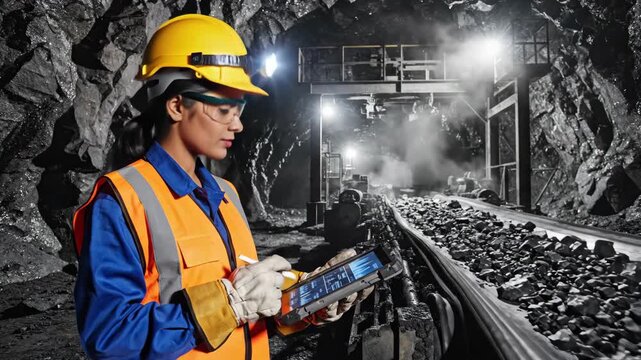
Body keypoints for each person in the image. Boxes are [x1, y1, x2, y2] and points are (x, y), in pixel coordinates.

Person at [72, 14, 371, 360]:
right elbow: (110, 338)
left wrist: (310, 300)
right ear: (176, 105)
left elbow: (245, 311)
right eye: (225, 110)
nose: (239, 125)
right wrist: (229, 305)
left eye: (239, 110)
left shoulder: (225, 194)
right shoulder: (120, 201)